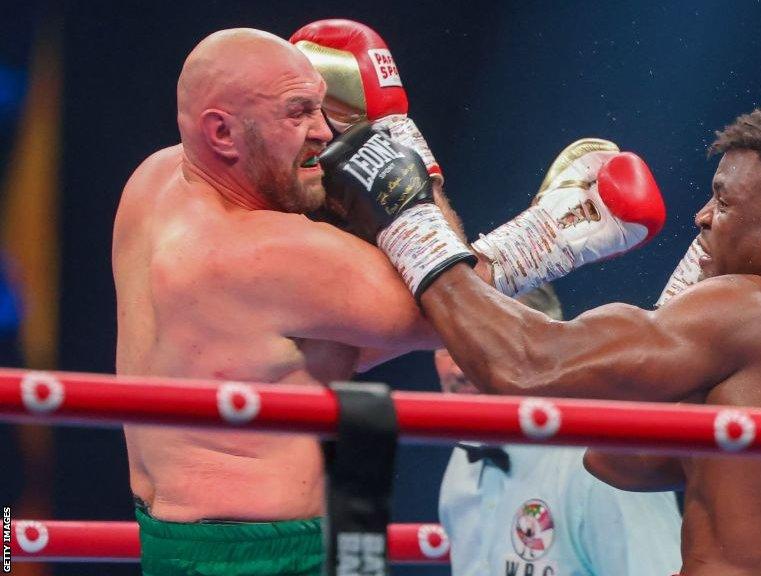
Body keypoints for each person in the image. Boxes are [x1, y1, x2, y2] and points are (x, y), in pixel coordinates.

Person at [113, 23, 665, 575]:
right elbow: (449, 308)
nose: (324, 132)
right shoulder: (267, 254)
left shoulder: (153, 183)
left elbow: (291, 346)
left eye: (320, 108)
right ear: (223, 133)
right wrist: (544, 233)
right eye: (297, 112)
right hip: (264, 552)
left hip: (178, 540)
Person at [340, 109, 761, 576]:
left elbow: (523, 366)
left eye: (723, 202)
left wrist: (407, 216)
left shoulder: (751, 309)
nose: (701, 218)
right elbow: (623, 462)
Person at [436, 284, 682, 576]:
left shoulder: (606, 465)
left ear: (538, 355)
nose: (457, 368)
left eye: (478, 346)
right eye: (445, 344)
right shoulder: (464, 458)